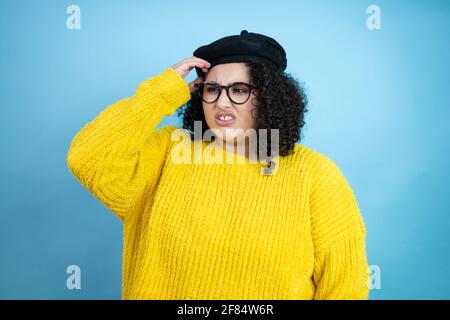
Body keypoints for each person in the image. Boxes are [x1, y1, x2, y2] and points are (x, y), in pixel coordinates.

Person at [66, 30, 370, 300]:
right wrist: (162, 91)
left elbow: (345, 288)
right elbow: (88, 157)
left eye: (239, 90)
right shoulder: (168, 153)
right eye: (212, 89)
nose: (222, 103)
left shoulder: (315, 175)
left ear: (269, 98)